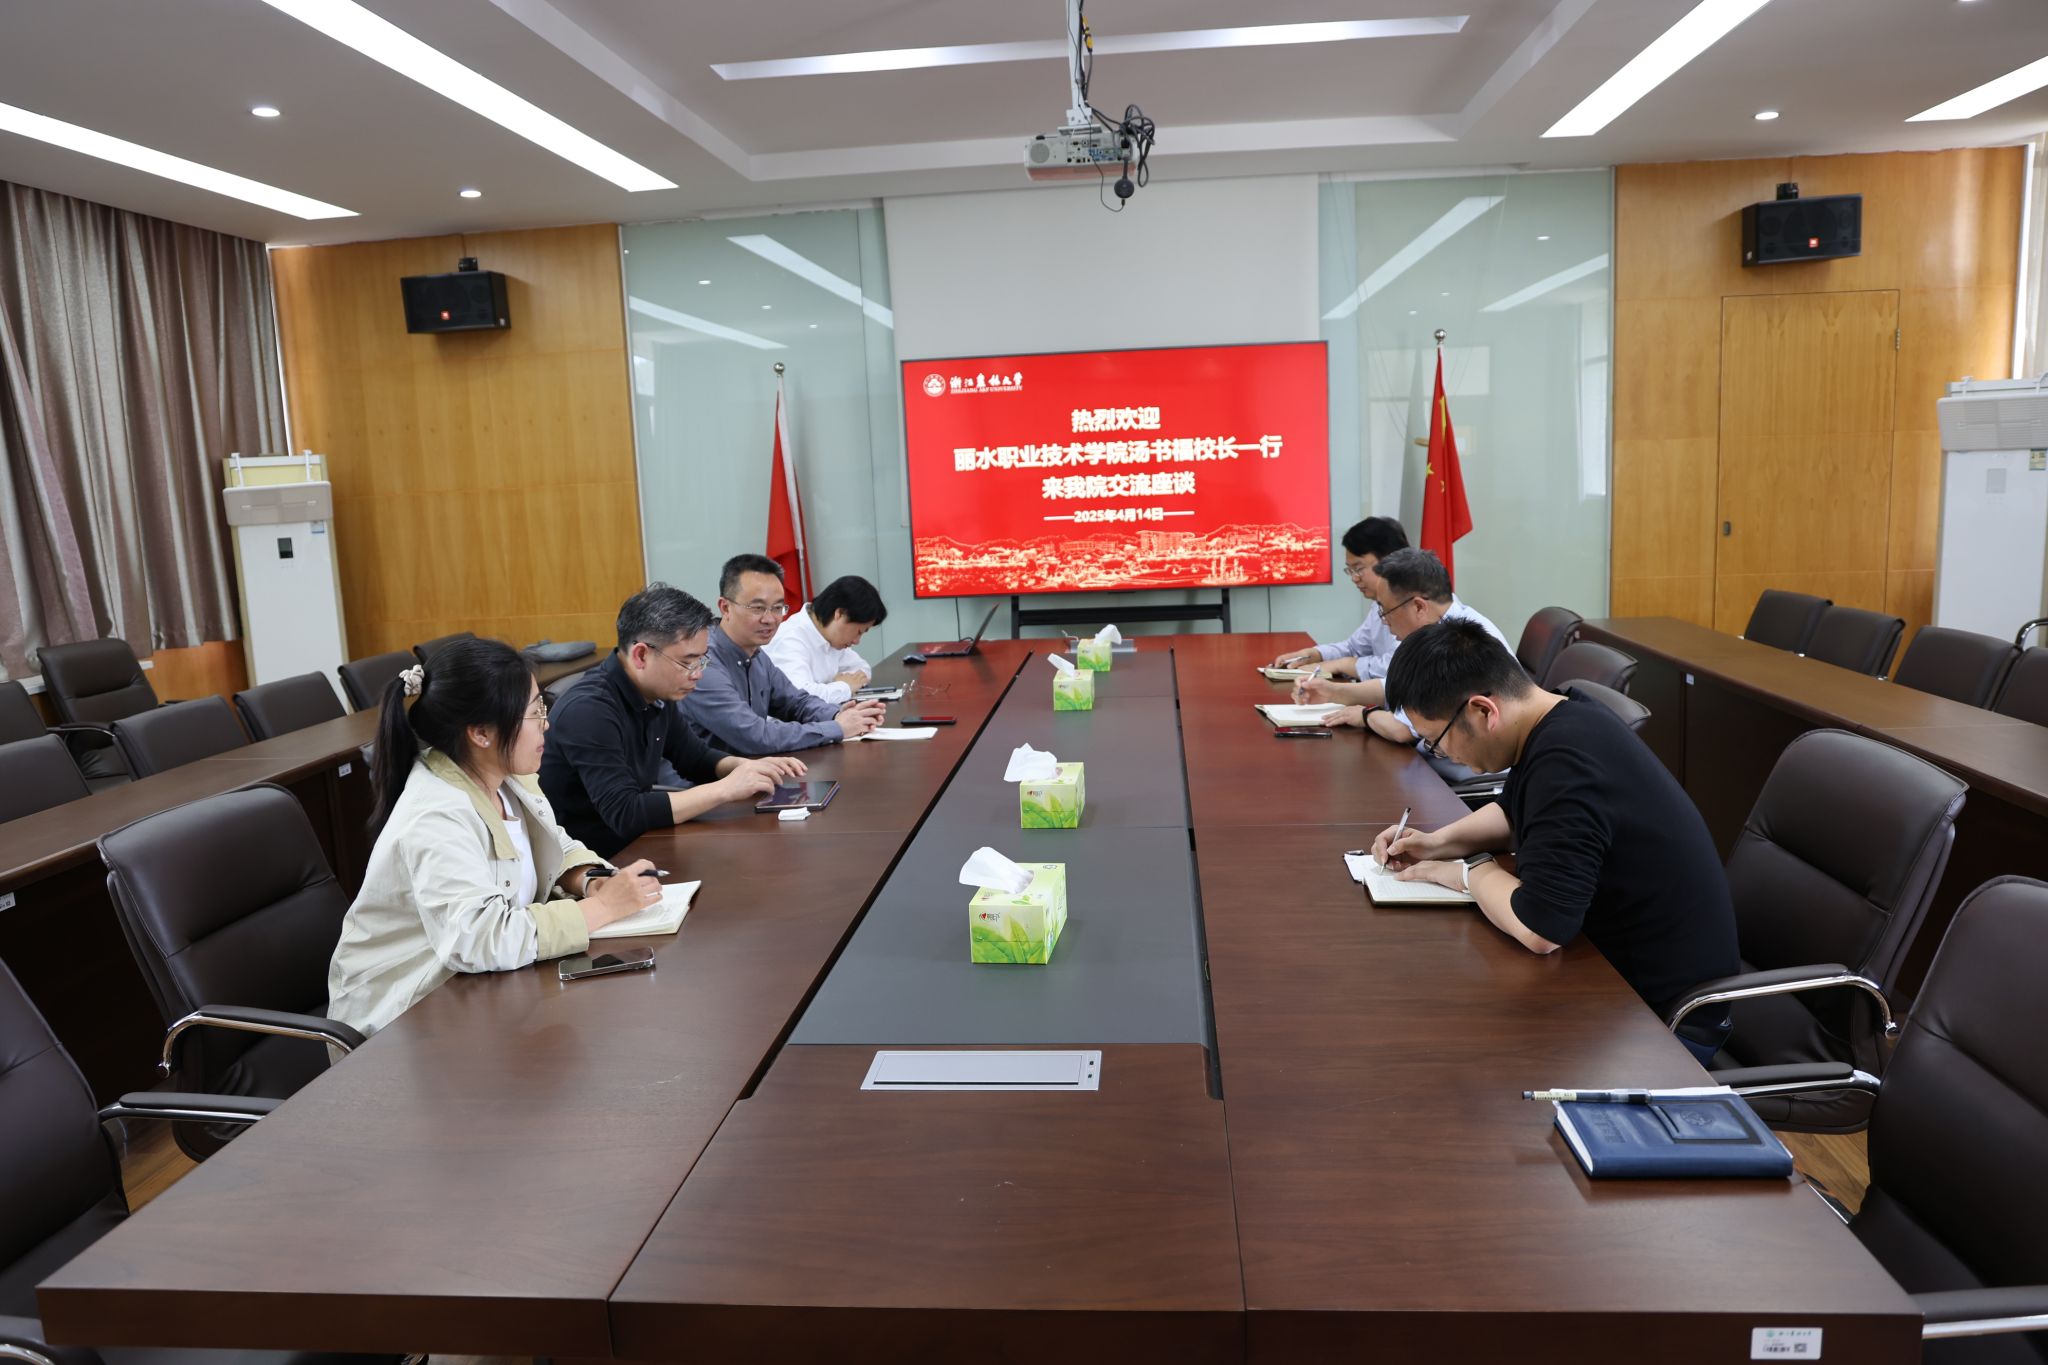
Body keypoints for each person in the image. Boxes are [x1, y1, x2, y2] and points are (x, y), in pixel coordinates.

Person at [1369, 618, 1739, 1059]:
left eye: (1436, 741)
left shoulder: (1568, 763)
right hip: (1613, 974)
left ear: (1483, 711)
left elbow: (1541, 928)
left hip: (1663, 1020)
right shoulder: (1562, 715)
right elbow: (1514, 811)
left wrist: (1467, 873)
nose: (1442, 754)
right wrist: (1435, 843)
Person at [327, 638, 663, 1037]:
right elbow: (479, 938)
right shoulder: (436, 816)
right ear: (481, 733)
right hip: (405, 1018)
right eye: (534, 712)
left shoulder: (506, 776)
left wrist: (590, 881)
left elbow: (555, 842)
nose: (546, 723)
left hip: (479, 993)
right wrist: (602, 909)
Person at [539, 583, 810, 858]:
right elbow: (625, 813)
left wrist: (747, 768)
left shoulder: (657, 691)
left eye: (702, 660)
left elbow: (694, 758)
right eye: (687, 662)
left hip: (641, 842)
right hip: (592, 860)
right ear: (641, 655)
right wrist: (727, 789)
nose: (697, 674)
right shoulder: (589, 710)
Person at [1294, 547, 1512, 746]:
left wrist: (1364, 715)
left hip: (1456, 768)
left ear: (1418, 607)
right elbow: (1396, 687)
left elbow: (1402, 729)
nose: (1383, 621)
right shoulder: (1442, 624)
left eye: (1385, 610)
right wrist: (1332, 692)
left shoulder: (1461, 642)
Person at [683, 554, 888, 755]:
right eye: (758, 608)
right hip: (708, 776)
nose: (770, 619)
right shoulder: (702, 662)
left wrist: (838, 714)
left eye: (778, 608)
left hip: (753, 769)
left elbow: (796, 702)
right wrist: (837, 728)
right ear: (726, 608)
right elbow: (755, 736)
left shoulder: (757, 655)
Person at [1269, 516, 1408, 679]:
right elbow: (1353, 648)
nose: (1354, 578)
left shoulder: (1413, 604)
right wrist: (1314, 654)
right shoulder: (1379, 603)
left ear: (1389, 561)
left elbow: (1397, 667)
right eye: (1350, 570)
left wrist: (1342, 665)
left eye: (1359, 568)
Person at [764, 574, 889, 705]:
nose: (857, 641)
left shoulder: (830, 637)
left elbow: (863, 669)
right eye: (858, 632)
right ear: (839, 614)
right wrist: (844, 686)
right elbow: (800, 698)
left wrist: (836, 686)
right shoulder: (790, 640)